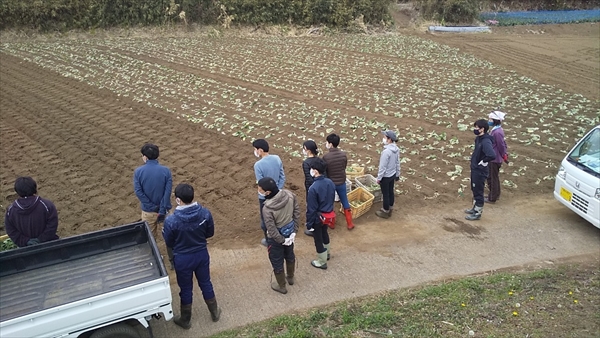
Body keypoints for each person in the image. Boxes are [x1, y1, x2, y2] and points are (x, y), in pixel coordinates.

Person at [162, 183, 221, 329]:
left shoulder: (171, 220)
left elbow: (169, 241)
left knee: (186, 288)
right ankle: (214, 313)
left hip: (182, 258)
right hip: (201, 254)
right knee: (206, 283)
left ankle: (185, 320)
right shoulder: (205, 213)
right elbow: (210, 233)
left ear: (178, 200)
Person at [134, 143, 174, 269]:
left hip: (148, 212)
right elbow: (167, 192)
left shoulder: (138, 172)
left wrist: (152, 207)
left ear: (145, 157)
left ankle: (156, 262)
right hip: (165, 211)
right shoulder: (166, 171)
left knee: (150, 238)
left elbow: (139, 192)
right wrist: (161, 209)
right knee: (170, 236)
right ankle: (173, 261)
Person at [258, 177, 300, 294]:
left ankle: (281, 286)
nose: (258, 190)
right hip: (289, 233)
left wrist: (281, 240)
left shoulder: (267, 209)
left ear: (267, 192)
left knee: (277, 261)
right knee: (290, 254)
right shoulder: (290, 195)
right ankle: (290, 277)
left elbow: (271, 229)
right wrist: (293, 232)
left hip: (276, 240)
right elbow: (296, 212)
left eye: (260, 189)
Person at [5, 176, 59, 247]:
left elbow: (11, 231)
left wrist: (26, 241)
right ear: (34, 188)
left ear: (17, 191)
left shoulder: (10, 211)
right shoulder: (46, 205)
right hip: (49, 246)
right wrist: (40, 240)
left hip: (26, 250)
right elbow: (52, 225)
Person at [253, 139, 286, 246]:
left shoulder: (258, 165)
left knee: (265, 219)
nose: (255, 151)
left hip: (265, 197)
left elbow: (261, 183)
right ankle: (281, 235)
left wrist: (267, 194)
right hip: (278, 193)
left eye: (255, 149)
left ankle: (269, 240)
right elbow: (282, 176)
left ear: (261, 150)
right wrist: (277, 190)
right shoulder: (277, 158)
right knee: (278, 216)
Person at [306, 158, 336, 269]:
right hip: (328, 215)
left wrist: (309, 224)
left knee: (318, 238)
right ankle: (327, 253)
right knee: (325, 233)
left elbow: (311, 209)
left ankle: (321, 261)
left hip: (318, 218)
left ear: (316, 171)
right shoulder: (330, 182)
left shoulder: (313, 188)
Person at [464, 120, 496, 221]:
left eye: (477, 128)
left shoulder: (486, 141)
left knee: (478, 191)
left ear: (482, 129)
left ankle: (477, 213)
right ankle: (475, 208)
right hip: (475, 168)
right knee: (474, 189)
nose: (475, 129)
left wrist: (483, 162)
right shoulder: (479, 139)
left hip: (480, 170)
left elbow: (491, 155)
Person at [322, 133, 354, 230]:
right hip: (341, 182)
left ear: (330, 144)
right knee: (345, 201)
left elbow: (325, 172)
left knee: (330, 203)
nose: (326, 144)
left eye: (327, 142)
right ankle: (350, 223)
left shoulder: (326, 157)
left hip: (331, 183)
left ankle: (332, 223)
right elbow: (343, 167)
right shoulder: (343, 155)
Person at [376, 131, 401, 219]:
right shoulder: (396, 149)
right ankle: (391, 207)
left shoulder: (386, 152)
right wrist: (397, 174)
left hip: (386, 176)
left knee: (385, 194)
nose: (383, 138)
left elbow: (382, 167)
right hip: (393, 174)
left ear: (389, 139)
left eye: (384, 137)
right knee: (391, 192)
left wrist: (379, 178)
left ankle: (385, 211)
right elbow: (398, 163)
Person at [486, 111, 509, 203]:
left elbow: (501, 145)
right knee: (493, 176)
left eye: (490, 119)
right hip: (494, 157)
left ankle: (492, 197)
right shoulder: (496, 130)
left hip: (494, 158)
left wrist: (504, 155)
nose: (489, 121)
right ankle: (496, 194)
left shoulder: (497, 132)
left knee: (492, 177)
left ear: (495, 120)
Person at [301, 140, 321, 237]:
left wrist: (314, 188)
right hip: (320, 186)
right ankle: (319, 223)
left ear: (308, 150)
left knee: (311, 207)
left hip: (311, 188)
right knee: (319, 205)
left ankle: (312, 227)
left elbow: (309, 178)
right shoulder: (320, 160)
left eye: (304, 148)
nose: (303, 150)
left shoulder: (306, 163)